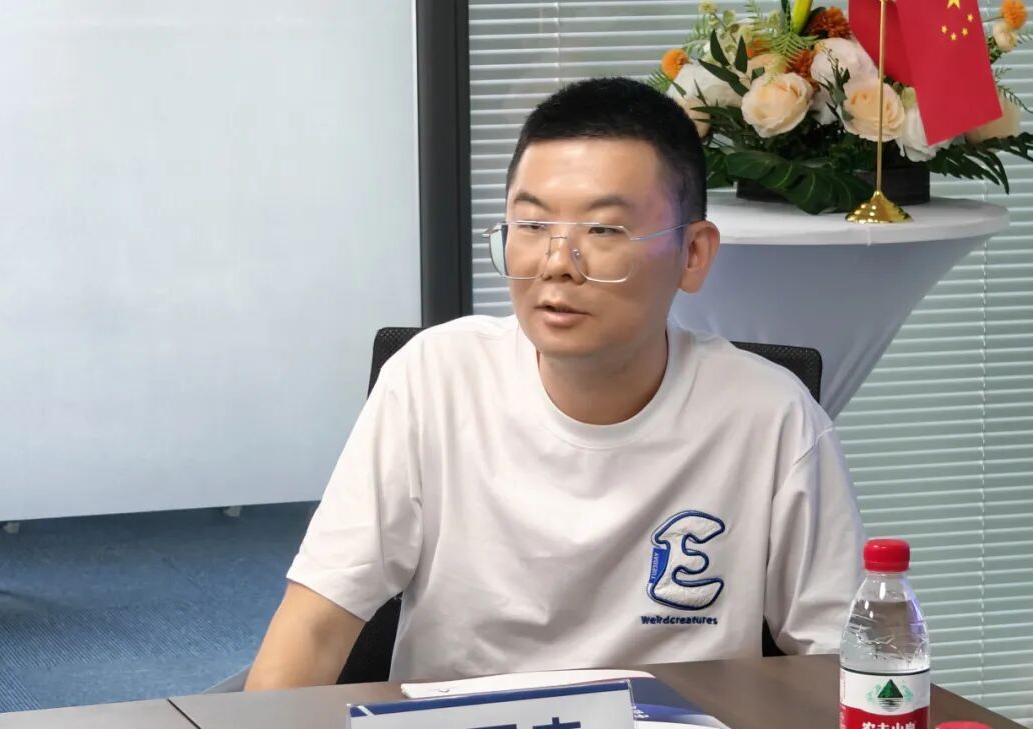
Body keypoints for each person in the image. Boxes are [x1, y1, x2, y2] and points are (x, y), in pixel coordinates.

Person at [245, 77, 864, 690]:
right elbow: (314, 626)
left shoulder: (771, 417)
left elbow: (845, 664)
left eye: (604, 230)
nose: (557, 264)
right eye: (532, 225)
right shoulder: (433, 380)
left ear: (693, 254)